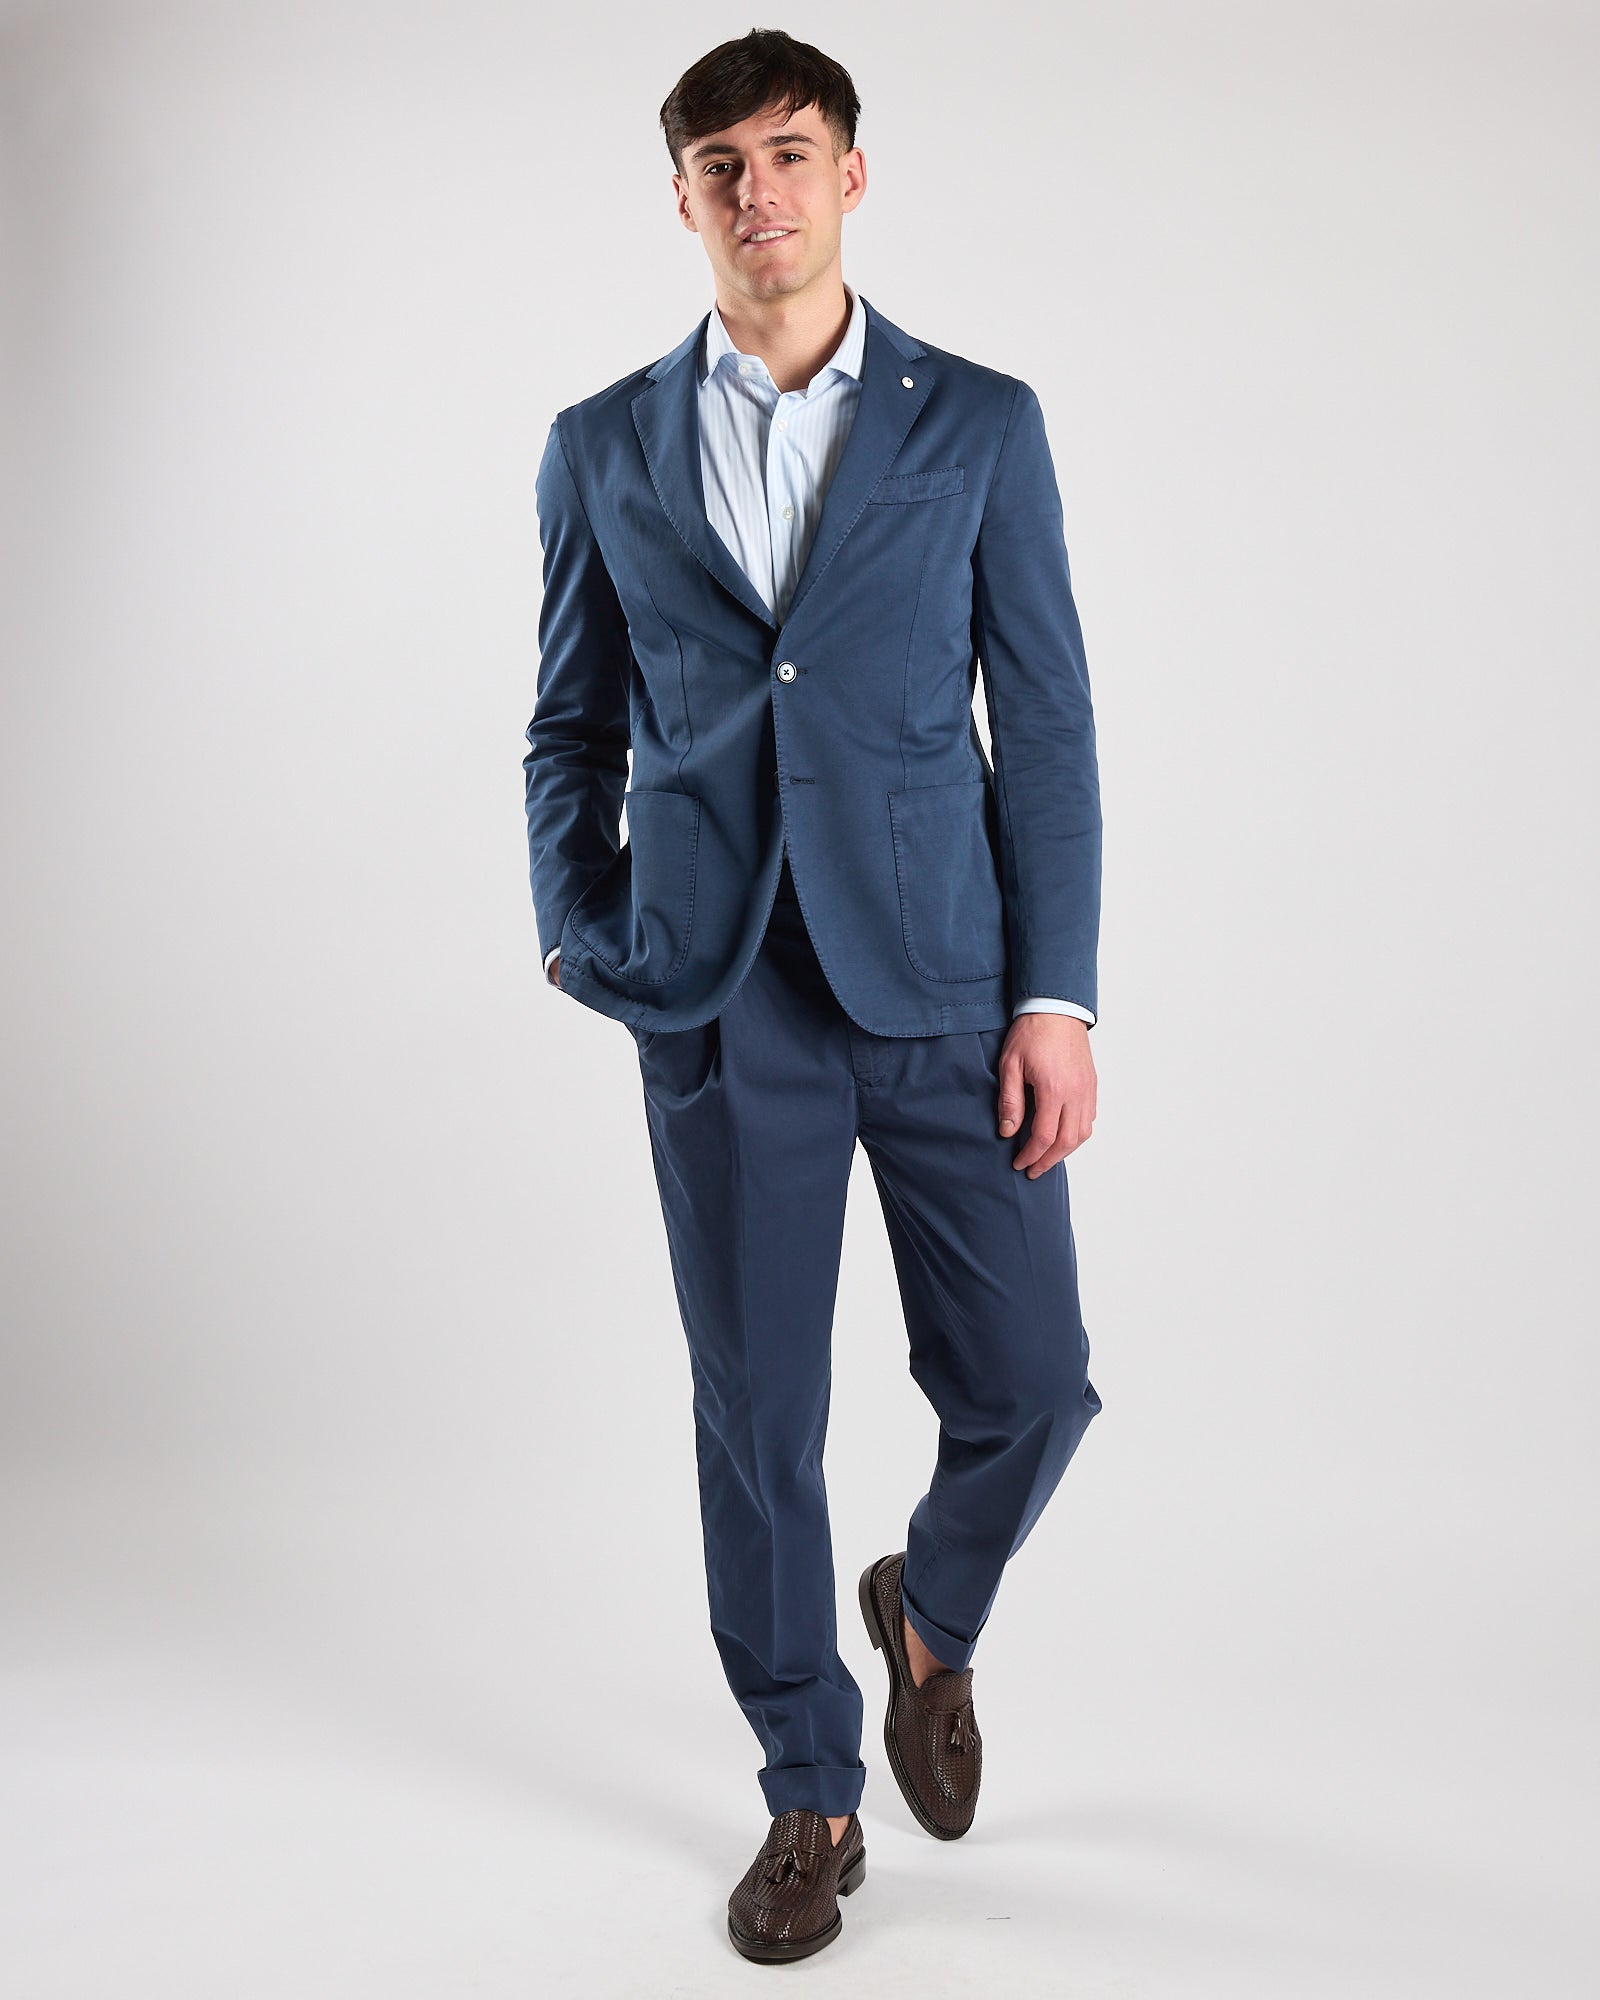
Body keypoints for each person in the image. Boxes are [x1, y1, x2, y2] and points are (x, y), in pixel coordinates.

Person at [522, 27, 1105, 1965]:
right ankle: (809, 1791)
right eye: (721, 165)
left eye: (788, 153)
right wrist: (584, 933)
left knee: (1032, 1380)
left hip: (942, 987)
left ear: (850, 174)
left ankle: (929, 1609)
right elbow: (567, 726)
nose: (756, 191)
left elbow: (1045, 725)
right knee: (758, 1416)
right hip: (717, 995)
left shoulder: (980, 424)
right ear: (681, 197)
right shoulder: (601, 443)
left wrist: (1055, 998)